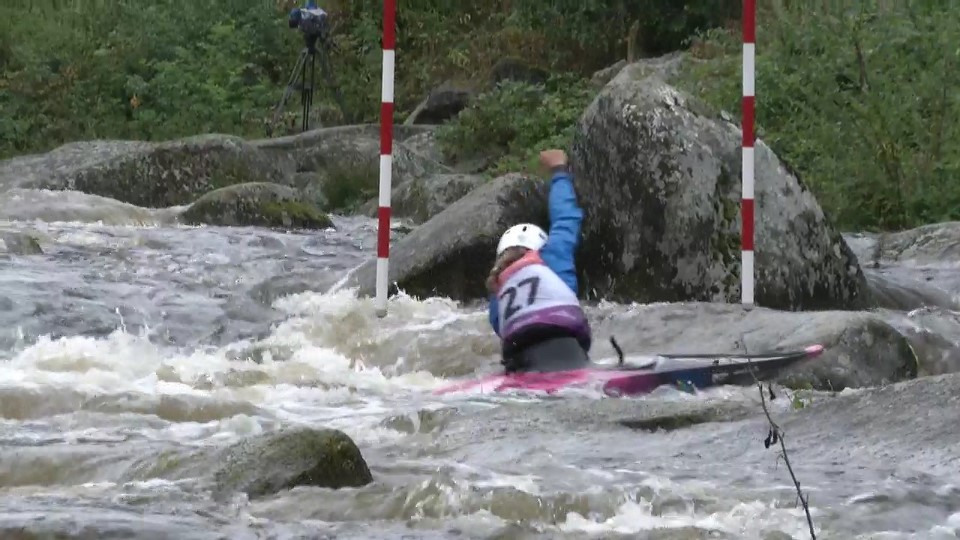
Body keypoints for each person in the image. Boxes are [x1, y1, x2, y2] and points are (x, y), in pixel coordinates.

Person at [486, 149, 592, 373]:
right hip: (569, 353)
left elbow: (501, 328)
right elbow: (565, 218)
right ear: (539, 247)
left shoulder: (497, 284)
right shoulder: (551, 257)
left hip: (520, 364)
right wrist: (559, 170)